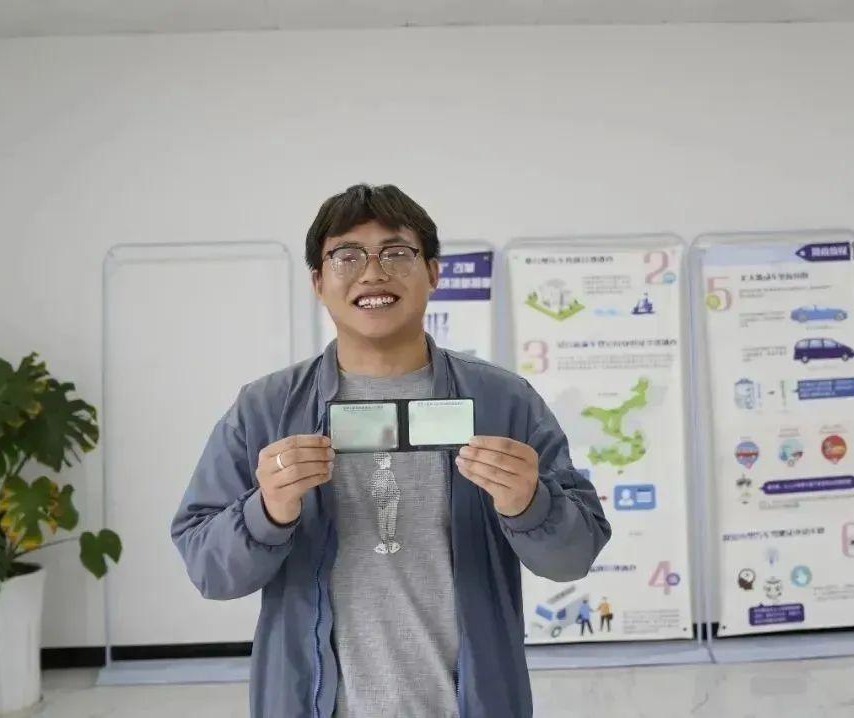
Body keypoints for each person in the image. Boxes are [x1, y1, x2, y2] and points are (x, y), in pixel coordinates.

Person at [170, 184, 611, 717]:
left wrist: (530, 504)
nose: (373, 273)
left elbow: (574, 556)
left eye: (397, 253)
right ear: (318, 281)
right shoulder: (265, 409)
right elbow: (209, 570)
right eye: (346, 255)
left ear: (433, 272)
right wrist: (266, 511)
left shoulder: (503, 401)